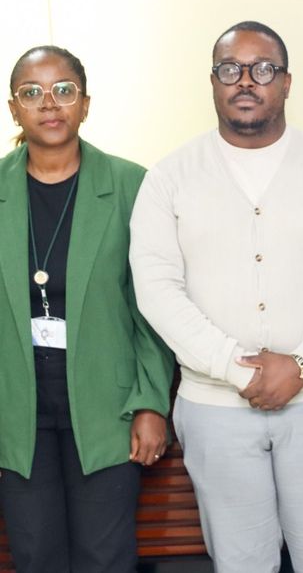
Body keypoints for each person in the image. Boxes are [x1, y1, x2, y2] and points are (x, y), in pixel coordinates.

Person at [128, 21, 303, 572]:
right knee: (239, 562)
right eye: (229, 69)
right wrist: (238, 371)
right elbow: (157, 291)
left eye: (262, 69)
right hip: (215, 407)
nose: (245, 81)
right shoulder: (168, 179)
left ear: (286, 82)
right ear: (212, 82)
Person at [0, 46, 174, 571]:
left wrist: (151, 402)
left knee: (106, 556)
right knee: (35, 555)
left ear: (85, 104)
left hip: (108, 406)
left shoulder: (130, 185)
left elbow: (152, 306)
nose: (49, 103)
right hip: (15, 407)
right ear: (14, 109)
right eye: (32, 92)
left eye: (63, 90)